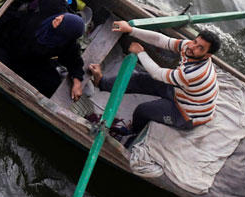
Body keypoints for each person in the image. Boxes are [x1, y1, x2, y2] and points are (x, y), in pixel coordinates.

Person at [89, 21, 221, 137]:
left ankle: (132, 131)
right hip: (181, 92)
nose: (193, 47)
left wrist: (140, 52)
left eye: (200, 48)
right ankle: (102, 82)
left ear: (207, 55)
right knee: (139, 79)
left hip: (186, 113)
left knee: (143, 110)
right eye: (195, 41)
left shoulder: (192, 74)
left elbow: (157, 74)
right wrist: (131, 30)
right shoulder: (189, 46)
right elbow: (161, 40)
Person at [0, 0, 86, 100]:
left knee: (52, 84)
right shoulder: (56, 7)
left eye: (61, 22)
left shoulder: (66, 44)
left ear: (65, 34)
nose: (57, 19)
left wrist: (77, 82)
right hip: (8, 41)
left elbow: (75, 62)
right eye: (61, 17)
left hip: (30, 61)